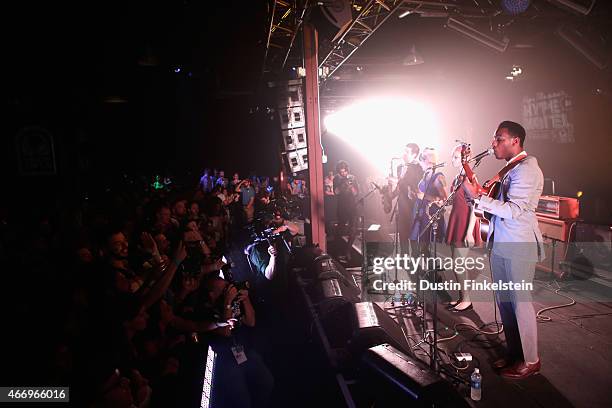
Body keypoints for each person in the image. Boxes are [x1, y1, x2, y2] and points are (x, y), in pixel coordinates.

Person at [463, 120, 544, 379]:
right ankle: (514, 353)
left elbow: (515, 210)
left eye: (499, 138)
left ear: (515, 141)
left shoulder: (526, 169)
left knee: (520, 304)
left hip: (519, 245)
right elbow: (489, 202)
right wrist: (471, 189)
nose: (493, 144)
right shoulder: (510, 169)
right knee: (505, 303)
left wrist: (478, 196)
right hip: (501, 242)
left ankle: (531, 360)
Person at [444, 144, 483, 312]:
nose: (452, 160)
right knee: (456, 262)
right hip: (457, 220)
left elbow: (476, 206)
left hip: (465, 223)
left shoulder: (468, 178)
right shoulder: (457, 178)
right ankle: (462, 297)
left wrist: (469, 232)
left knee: (459, 262)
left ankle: (466, 300)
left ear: (464, 159)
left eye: (455, 157)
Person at [410, 147, 447, 254]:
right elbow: (421, 194)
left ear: (427, 161)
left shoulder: (438, 177)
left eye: (422, 159)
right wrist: (414, 194)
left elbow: (445, 200)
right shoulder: (425, 175)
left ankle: (431, 269)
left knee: (428, 250)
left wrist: (424, 196)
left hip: (430, 217)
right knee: (419, 247)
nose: (420, 163)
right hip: (420, 216)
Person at [392, 143, 423, 256]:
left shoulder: (419, 168)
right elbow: (399, 187)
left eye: (407, 152)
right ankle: (404, 257)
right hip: (401, 205)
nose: (403, 154)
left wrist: (411, 189)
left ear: (414, 155)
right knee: (402, 233)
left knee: (413, 234)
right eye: (403, 151)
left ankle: (415, 258)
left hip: (413, 206)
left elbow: (419, 188)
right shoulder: (399, 167)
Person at [333, 160, 359, 262]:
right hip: (342, 207)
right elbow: (336, 192)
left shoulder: (353, 178)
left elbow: (356, 193)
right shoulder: (336, 179)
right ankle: (338, 251)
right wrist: (342, 183)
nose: (343, 173)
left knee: (353, 229)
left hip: (352, 206)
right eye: (341, 172)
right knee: (340, 229)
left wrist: (351, 186)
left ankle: (347, 251)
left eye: (344, 171)